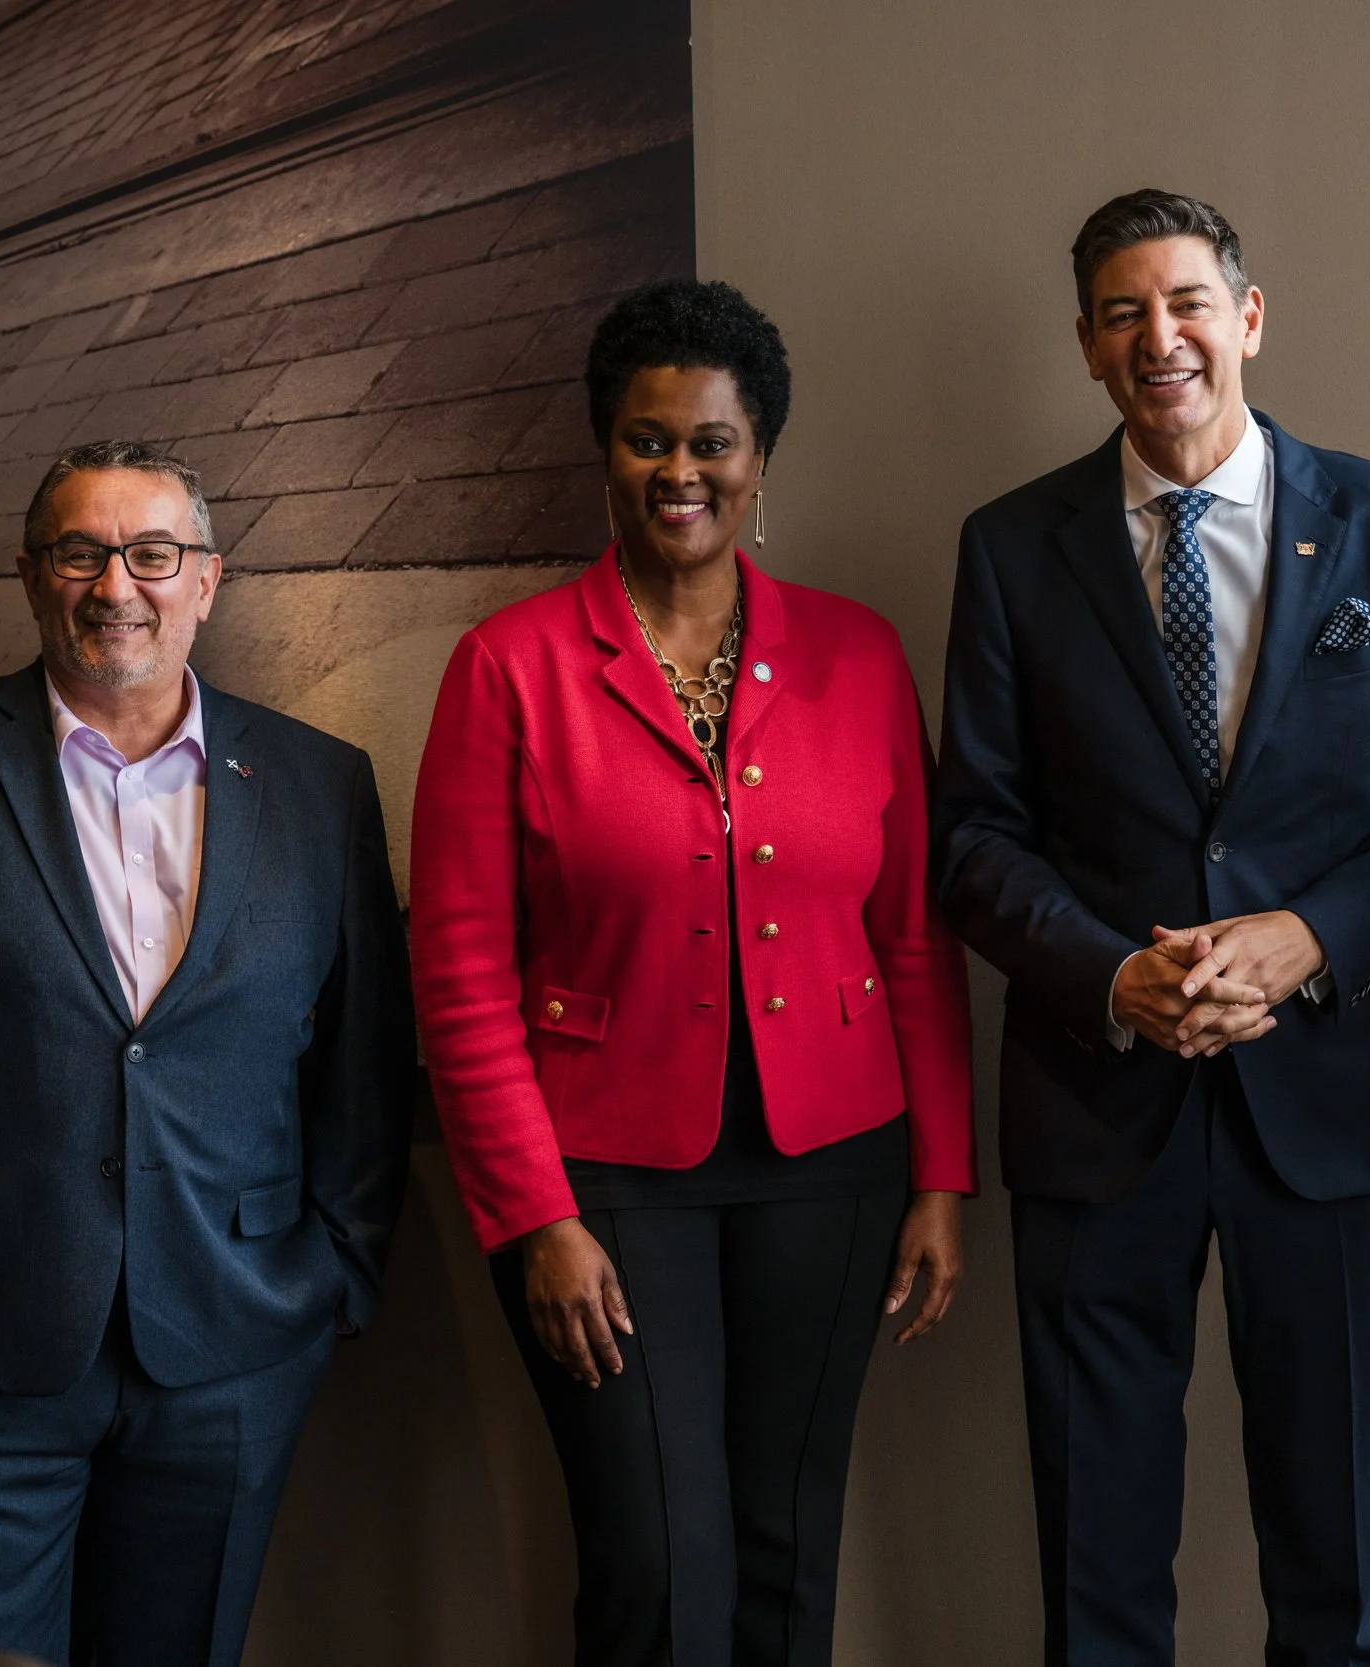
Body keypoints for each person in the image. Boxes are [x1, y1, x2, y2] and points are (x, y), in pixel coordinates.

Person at [936, 189, 1370, 1665]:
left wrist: (1311, 935)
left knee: (1333, 1572)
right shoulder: (1010, 547)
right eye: (1123, 312)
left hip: (1326, 1103)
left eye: (1186, 301)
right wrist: (1115, 974)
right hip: (1094, 1099)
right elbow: (973, 835)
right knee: (1096, 1571)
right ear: (1086, 347)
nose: (1159, 336)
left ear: (1247, 318)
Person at [0, 439, 413, 1664]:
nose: (118, 585)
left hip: (235, 1337)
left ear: (205, 579)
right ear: (32, 574)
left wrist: (342, 1267)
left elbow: (366, 1058)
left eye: (152, 553)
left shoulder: (322, 783)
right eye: (81, 552)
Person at [410, 277, 974, 1666]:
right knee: (660, 1565)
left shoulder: (858, 653)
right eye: (647, 439)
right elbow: (461, 971)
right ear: (605, 452)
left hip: (833, 1161)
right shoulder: (509, 668)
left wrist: (943, 1176)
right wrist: (535, 1216)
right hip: (600, 1176)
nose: (680, 470)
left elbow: (914, 934)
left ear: (759, 454)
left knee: (789, 1548)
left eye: (710, 440)